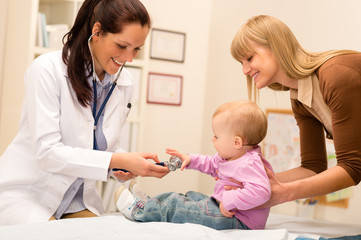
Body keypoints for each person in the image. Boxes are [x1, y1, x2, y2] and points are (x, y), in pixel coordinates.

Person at [0, 0, 169, 225]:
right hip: (30, 194)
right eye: (122, 46)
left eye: (136, 49)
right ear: (96, 31)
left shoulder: (124, 82)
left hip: (77, 200)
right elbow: (47, 152)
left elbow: (102, 144)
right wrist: (115, 160)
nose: (129, 58)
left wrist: (123, 164)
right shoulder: (46, 70)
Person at [230, 15, 361, 208]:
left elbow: (353, 167)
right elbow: (313, 167)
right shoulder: (299, 99)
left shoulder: (335, 75)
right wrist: (255, 183)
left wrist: (283, 194)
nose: (244, 70)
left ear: (276, 46)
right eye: (241, 63)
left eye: (249, 58)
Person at [114, 100, 274, 230]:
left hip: (240, 220)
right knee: (190, 196)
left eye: (216, 136)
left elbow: (262, 191)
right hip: (222, 205)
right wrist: (189, 159)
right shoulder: (232, 155)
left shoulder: (250, 163)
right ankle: (149, 203)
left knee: (180, 207)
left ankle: (139, 211)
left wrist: (229, 201)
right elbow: (211, 163)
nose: (212, 140)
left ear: (237, 142)